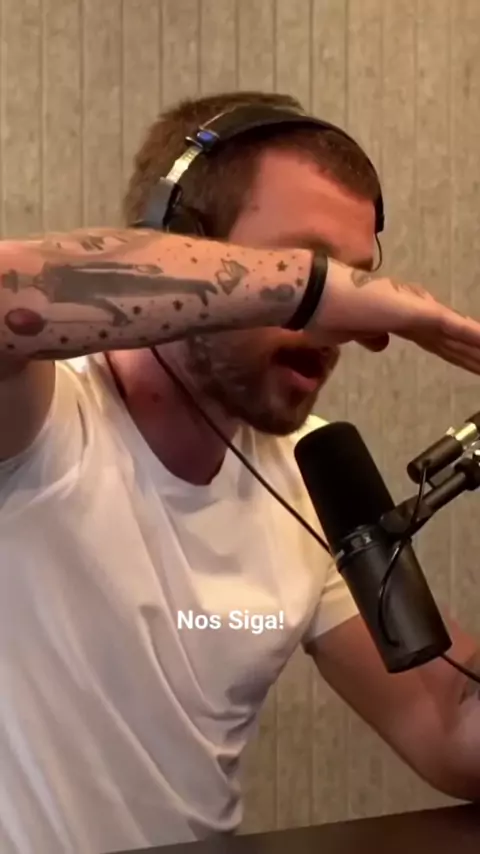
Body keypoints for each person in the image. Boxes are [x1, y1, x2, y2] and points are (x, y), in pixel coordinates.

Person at [0, 90, 479, 854]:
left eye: (359, 278)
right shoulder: (39, 414)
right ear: (174, 246)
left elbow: (452, 726)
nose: (340, 322)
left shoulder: (311, 470)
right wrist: (312, 288)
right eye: (303, 265)